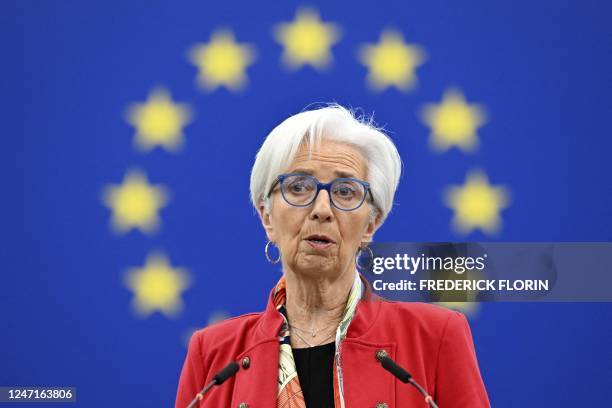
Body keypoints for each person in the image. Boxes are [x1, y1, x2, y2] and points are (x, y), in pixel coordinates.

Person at [175, 104, 490, 407]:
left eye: (345, 191)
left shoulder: (435, 336)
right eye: (298, 187)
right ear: (267, 217)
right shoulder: (212, 353)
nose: (322, 210)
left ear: (371, 224)